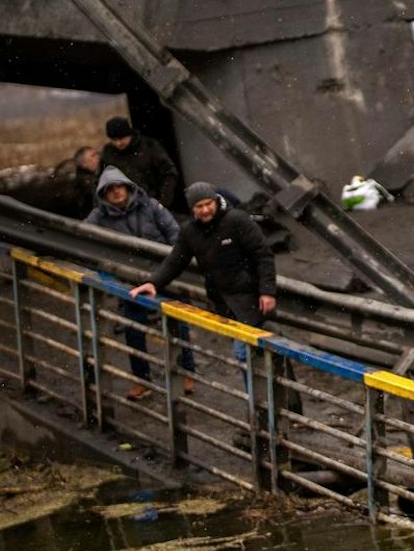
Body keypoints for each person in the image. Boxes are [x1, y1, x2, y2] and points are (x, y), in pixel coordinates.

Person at [129, 181, 297, 418]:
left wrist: (267, 291)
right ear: (192, 209)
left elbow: (263, 256)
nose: (205, 210)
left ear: (216, 201)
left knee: (246, 353)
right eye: (199, 206)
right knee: (258, 355)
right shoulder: (190, 232)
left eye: (208, 204)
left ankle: (262, 412)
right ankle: (273, 410)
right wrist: (153, 283)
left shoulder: (237, 220)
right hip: (224, 302)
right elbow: (176, 261)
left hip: (249, 298)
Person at [85, 165, 194, 400]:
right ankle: (142, 380)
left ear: (127, 187)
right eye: (110, 189)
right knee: (133, 330)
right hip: (130, 281)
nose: (116, 192)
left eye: (119, 187)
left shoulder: (152, 207)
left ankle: (186, 373)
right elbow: (83, 240)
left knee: (178, 327)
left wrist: (171, 268)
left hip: (165, 275)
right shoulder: (98, 217)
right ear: (103, 194)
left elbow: (176, 236)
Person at [99, 115, 180, 210]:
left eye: (121, 139)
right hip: (122, 208)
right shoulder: (108, 153)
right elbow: (100, 181)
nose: (118, 143)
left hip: (151, 203)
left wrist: (163, 202)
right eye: (114, 140)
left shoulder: (149, 147)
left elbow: (169, 173)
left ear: (129, 134)